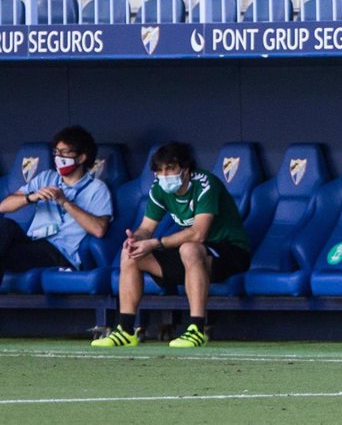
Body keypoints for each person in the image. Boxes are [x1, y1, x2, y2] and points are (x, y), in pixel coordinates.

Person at [92, 142, 250, 348]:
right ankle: (125, 330)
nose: (164, 176)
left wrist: (156, 244)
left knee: (190, 248)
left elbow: (199, 233)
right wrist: (136, 239)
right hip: (191, 259)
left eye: (170, 169)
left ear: (185, 169)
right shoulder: (159, 189)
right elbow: (146, 228)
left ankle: (196, 329)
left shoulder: (205, 184)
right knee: (130, 254)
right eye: (159, 171)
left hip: (230, 253)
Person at [0, 125, 113, 283]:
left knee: (6, 254)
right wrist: (31, 197)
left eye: (64, 153)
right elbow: (3, 206)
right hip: (32, 242)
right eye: (56, 152)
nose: (58, 157)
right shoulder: (46, 177)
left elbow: (99, 229)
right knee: (5, 225)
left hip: (59, 253)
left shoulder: (97, 189)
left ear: (81, 158)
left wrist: (64, 202)